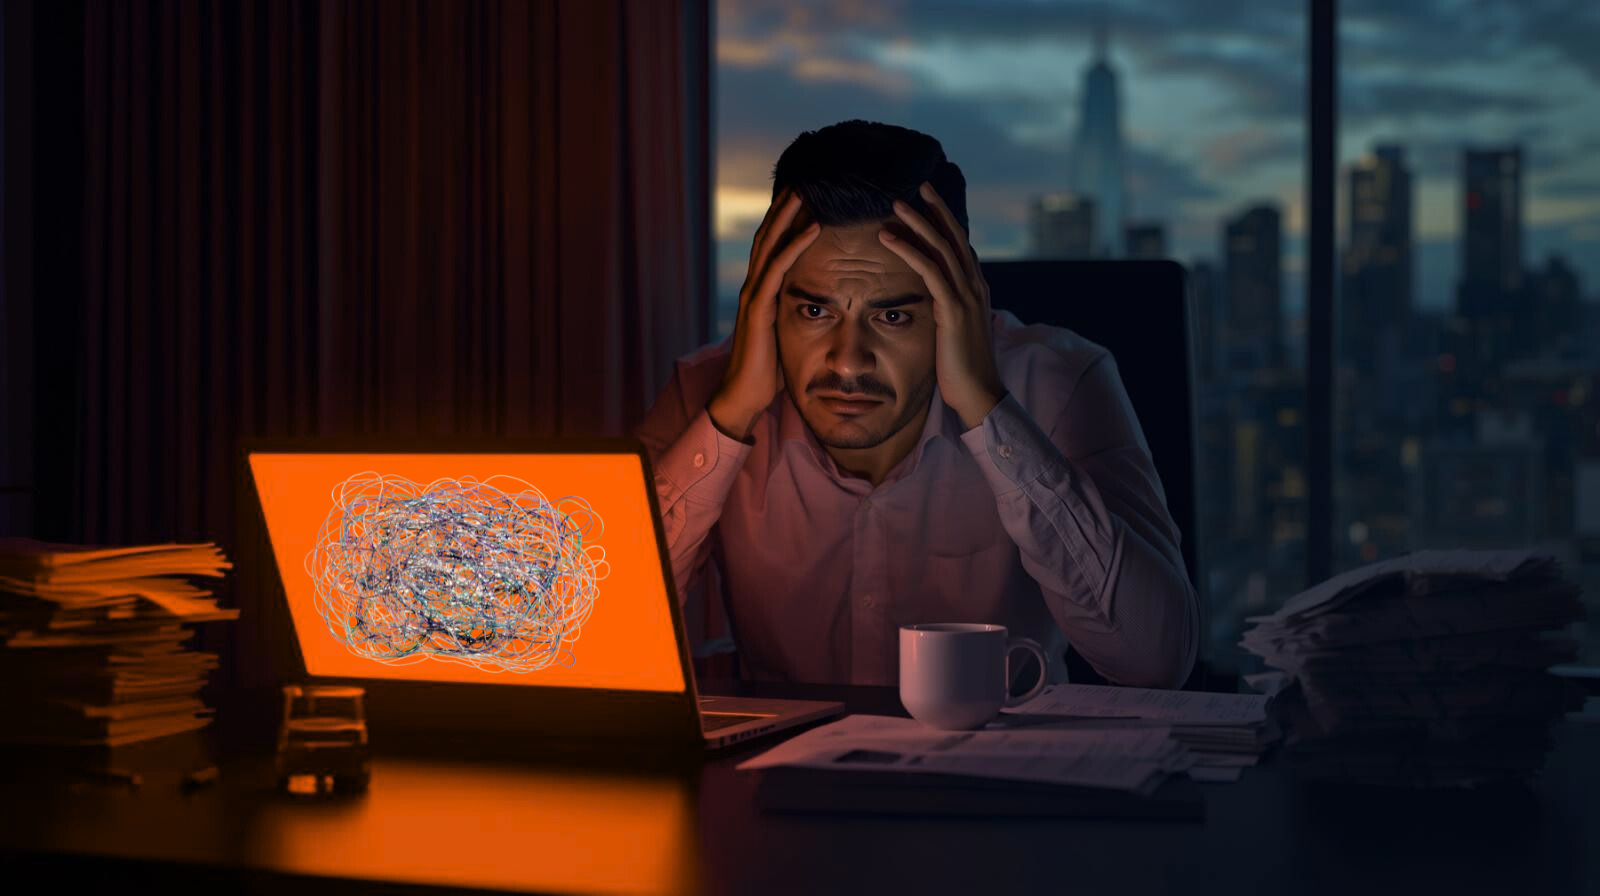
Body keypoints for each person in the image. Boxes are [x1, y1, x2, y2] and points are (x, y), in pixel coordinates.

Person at [635, 119, 1198, 689]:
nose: (848, 362)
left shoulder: (1059, 381)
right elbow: (585, 636)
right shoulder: (708, 391)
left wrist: (986, 406)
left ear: (955, 307)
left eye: (893, 316)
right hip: (778, 771)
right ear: (767, 302)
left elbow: (1155, 662)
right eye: (813, 312)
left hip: (992, 769)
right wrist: (729, 417)